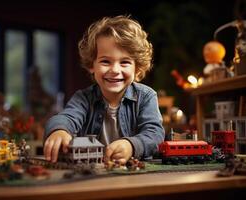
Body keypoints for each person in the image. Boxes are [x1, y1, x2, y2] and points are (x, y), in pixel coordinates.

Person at [43, 15, 165, 164]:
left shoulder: (146, 96)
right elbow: (67, 117)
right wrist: (59, 130)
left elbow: (154, 133)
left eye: (125, 62)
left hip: (134, 173)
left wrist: (131, 145)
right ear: (91, 65)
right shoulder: (83, 98)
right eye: (105, 61)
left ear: (137, 68)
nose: (114, 70)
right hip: (94, 174)